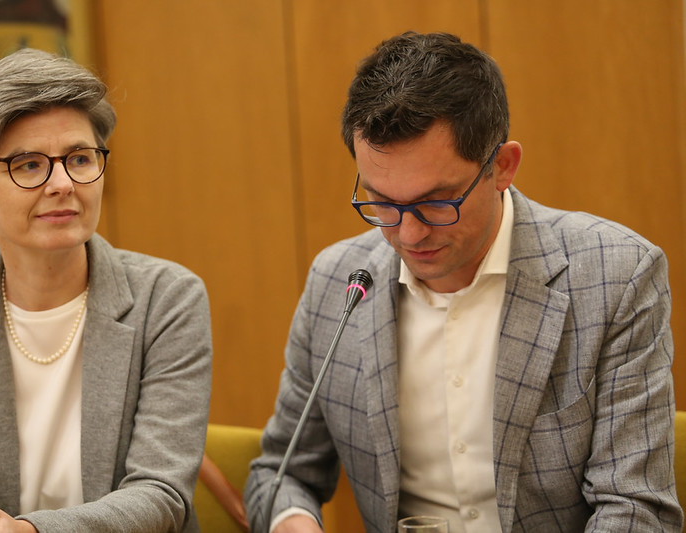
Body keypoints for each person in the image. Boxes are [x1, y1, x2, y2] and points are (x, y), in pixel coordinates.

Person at [244, 31, 683, 532]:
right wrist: (293, 520)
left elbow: (634, 509)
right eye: (382, 202)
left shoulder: (614, 277)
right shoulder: (337, 282)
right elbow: (279, 474)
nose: (409, 234)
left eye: (437, 201)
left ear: (503, 166)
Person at [0, 48, 213, 533]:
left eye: (80, 159)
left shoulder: (166, 298)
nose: (63, 184)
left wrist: (31, 530)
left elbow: (161, 493)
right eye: (28, 165)